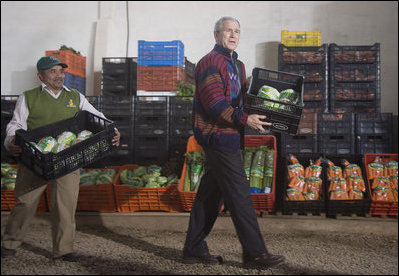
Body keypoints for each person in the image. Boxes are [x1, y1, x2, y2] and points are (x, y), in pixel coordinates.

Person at [182, 17, 285, 268]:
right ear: (216, 35)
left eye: (237, 31)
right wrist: (244, 118)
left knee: (210, 195)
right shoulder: (210, 62)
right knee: (240, 194)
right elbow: (214, 104)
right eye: (228, 30)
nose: (233, 35)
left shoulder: (238, 65)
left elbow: (242, 100)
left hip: (231, 135)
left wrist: (268, 106)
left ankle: (193, 249)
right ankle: (255, 254)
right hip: (216, 134)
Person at [1, 56, 120, 262]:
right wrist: (11, 140)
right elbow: (16, 124)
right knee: (25, 203)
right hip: (35, 158)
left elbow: (96, 115)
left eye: (61, 71)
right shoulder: (28, 97)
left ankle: (63, 250)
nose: (59, 75)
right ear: (41, 76)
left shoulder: (75, 96)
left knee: (65, 205)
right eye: (53, 72)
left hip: (68, 159)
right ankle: (10, 242)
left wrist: (114, 130)